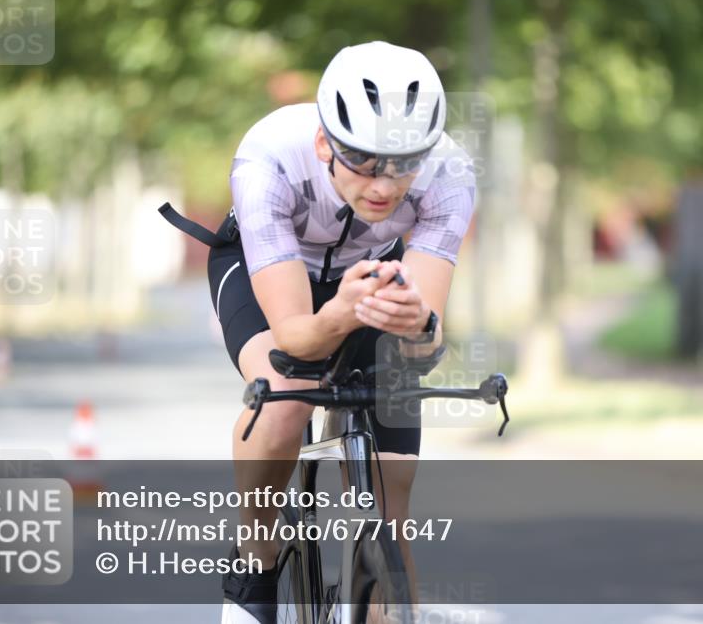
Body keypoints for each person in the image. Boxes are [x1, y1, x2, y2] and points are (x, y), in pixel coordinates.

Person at [162, 40, 475, 623]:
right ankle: (256, 561)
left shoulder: (451, 175)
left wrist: (420, 327)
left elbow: (425, 346)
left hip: (372, 273)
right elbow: (296, 340)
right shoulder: (268, 157)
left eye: (404, 163)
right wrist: (340, 316)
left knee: (391, 503)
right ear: (324, 143)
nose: (384, 185)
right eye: (363, 160)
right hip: (270, 272)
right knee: (283, 400)